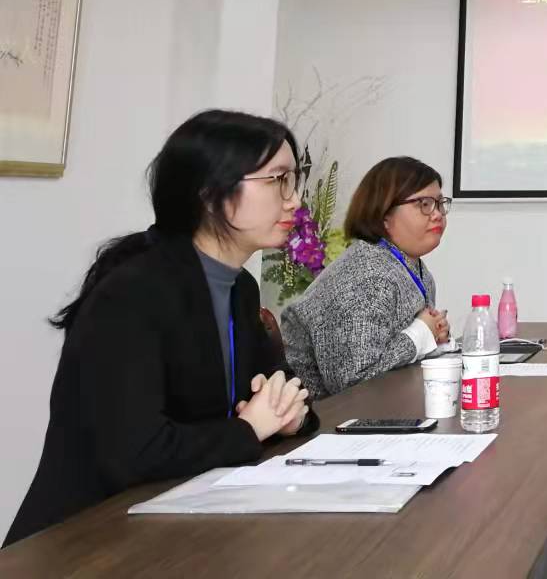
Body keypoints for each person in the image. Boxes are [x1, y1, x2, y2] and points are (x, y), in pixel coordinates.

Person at [7, 111, 317, 546]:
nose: (294, 200)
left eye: (294, 180)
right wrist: (250, 429)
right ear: (209, 193)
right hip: (84, 539)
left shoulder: (240, 288)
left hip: (179, 525)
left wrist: (290, 415)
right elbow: (135, 453)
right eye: (278, 180)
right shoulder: (134, 293)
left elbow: (283, 390)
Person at [281, 157, 450, 401]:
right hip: (322, 415)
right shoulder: (367, 276)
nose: (437, 215)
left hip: (390, 405)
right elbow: (353, 384)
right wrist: (420, 334)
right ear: (384, 215)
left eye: (440, 203)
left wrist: (433, 335)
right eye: (424, 204)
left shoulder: (415, 269)